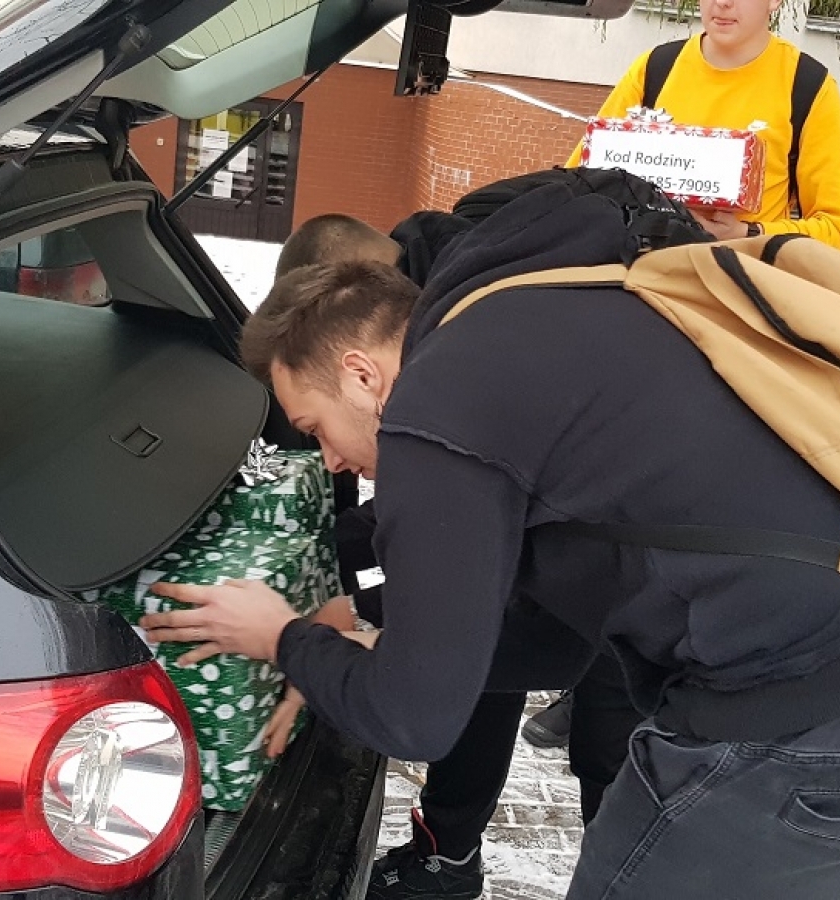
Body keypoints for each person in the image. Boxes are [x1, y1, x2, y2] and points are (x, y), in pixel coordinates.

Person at [141, 183, 840, 898]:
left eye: (316, 428)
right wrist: (368, 631)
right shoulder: (560, 302)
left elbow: (417, 721)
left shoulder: (437, 399)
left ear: (362, 374)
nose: (334, 461)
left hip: (835, 749)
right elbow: (564, 641)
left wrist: (284, 638)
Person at [268, 211, 642, 900]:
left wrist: (301, 641)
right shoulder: (477, 313)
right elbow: (519, 609)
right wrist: (359, 596)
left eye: (317, 429)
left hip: (759, 679)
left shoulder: (463, 374)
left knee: (621, 763)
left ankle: (462, 857)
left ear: (358, 356)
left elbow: (428, 705)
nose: (329, 459)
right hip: (742, 641)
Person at [566, 0, 840, 254]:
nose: (722, 2)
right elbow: (576, 189)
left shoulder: (807, 85)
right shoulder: (655, 69)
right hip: (639, 277)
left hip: (738, 284)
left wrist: (749, 233)